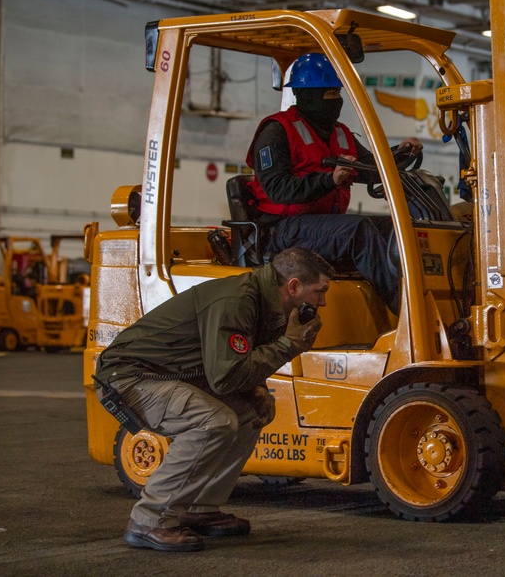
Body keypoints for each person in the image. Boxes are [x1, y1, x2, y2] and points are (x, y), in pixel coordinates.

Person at [94, 247, 332, 552]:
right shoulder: (238, 300)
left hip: (174, 374)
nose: (322, 301)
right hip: (129, 377)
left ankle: (198, 507)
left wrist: (257, 387)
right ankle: (149, 520)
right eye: (319, 291)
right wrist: (287, 345)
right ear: (294, 286)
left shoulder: (266, 303)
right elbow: (226, 375)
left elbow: (233, 362)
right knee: (213, 422)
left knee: (253, 411)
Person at [246, 52, 422, 314]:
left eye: (337, 94)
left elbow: (371, 170)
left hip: (321, 225)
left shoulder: (340, 133)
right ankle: (409, 312)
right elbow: (278, 189)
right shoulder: (277, 131)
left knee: (395, 226)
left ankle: (418, 295)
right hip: (281, 229)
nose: (335, 101)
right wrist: (329, 180)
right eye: (328, 95)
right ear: (305, 95)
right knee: (358, 230)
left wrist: (400, 153)